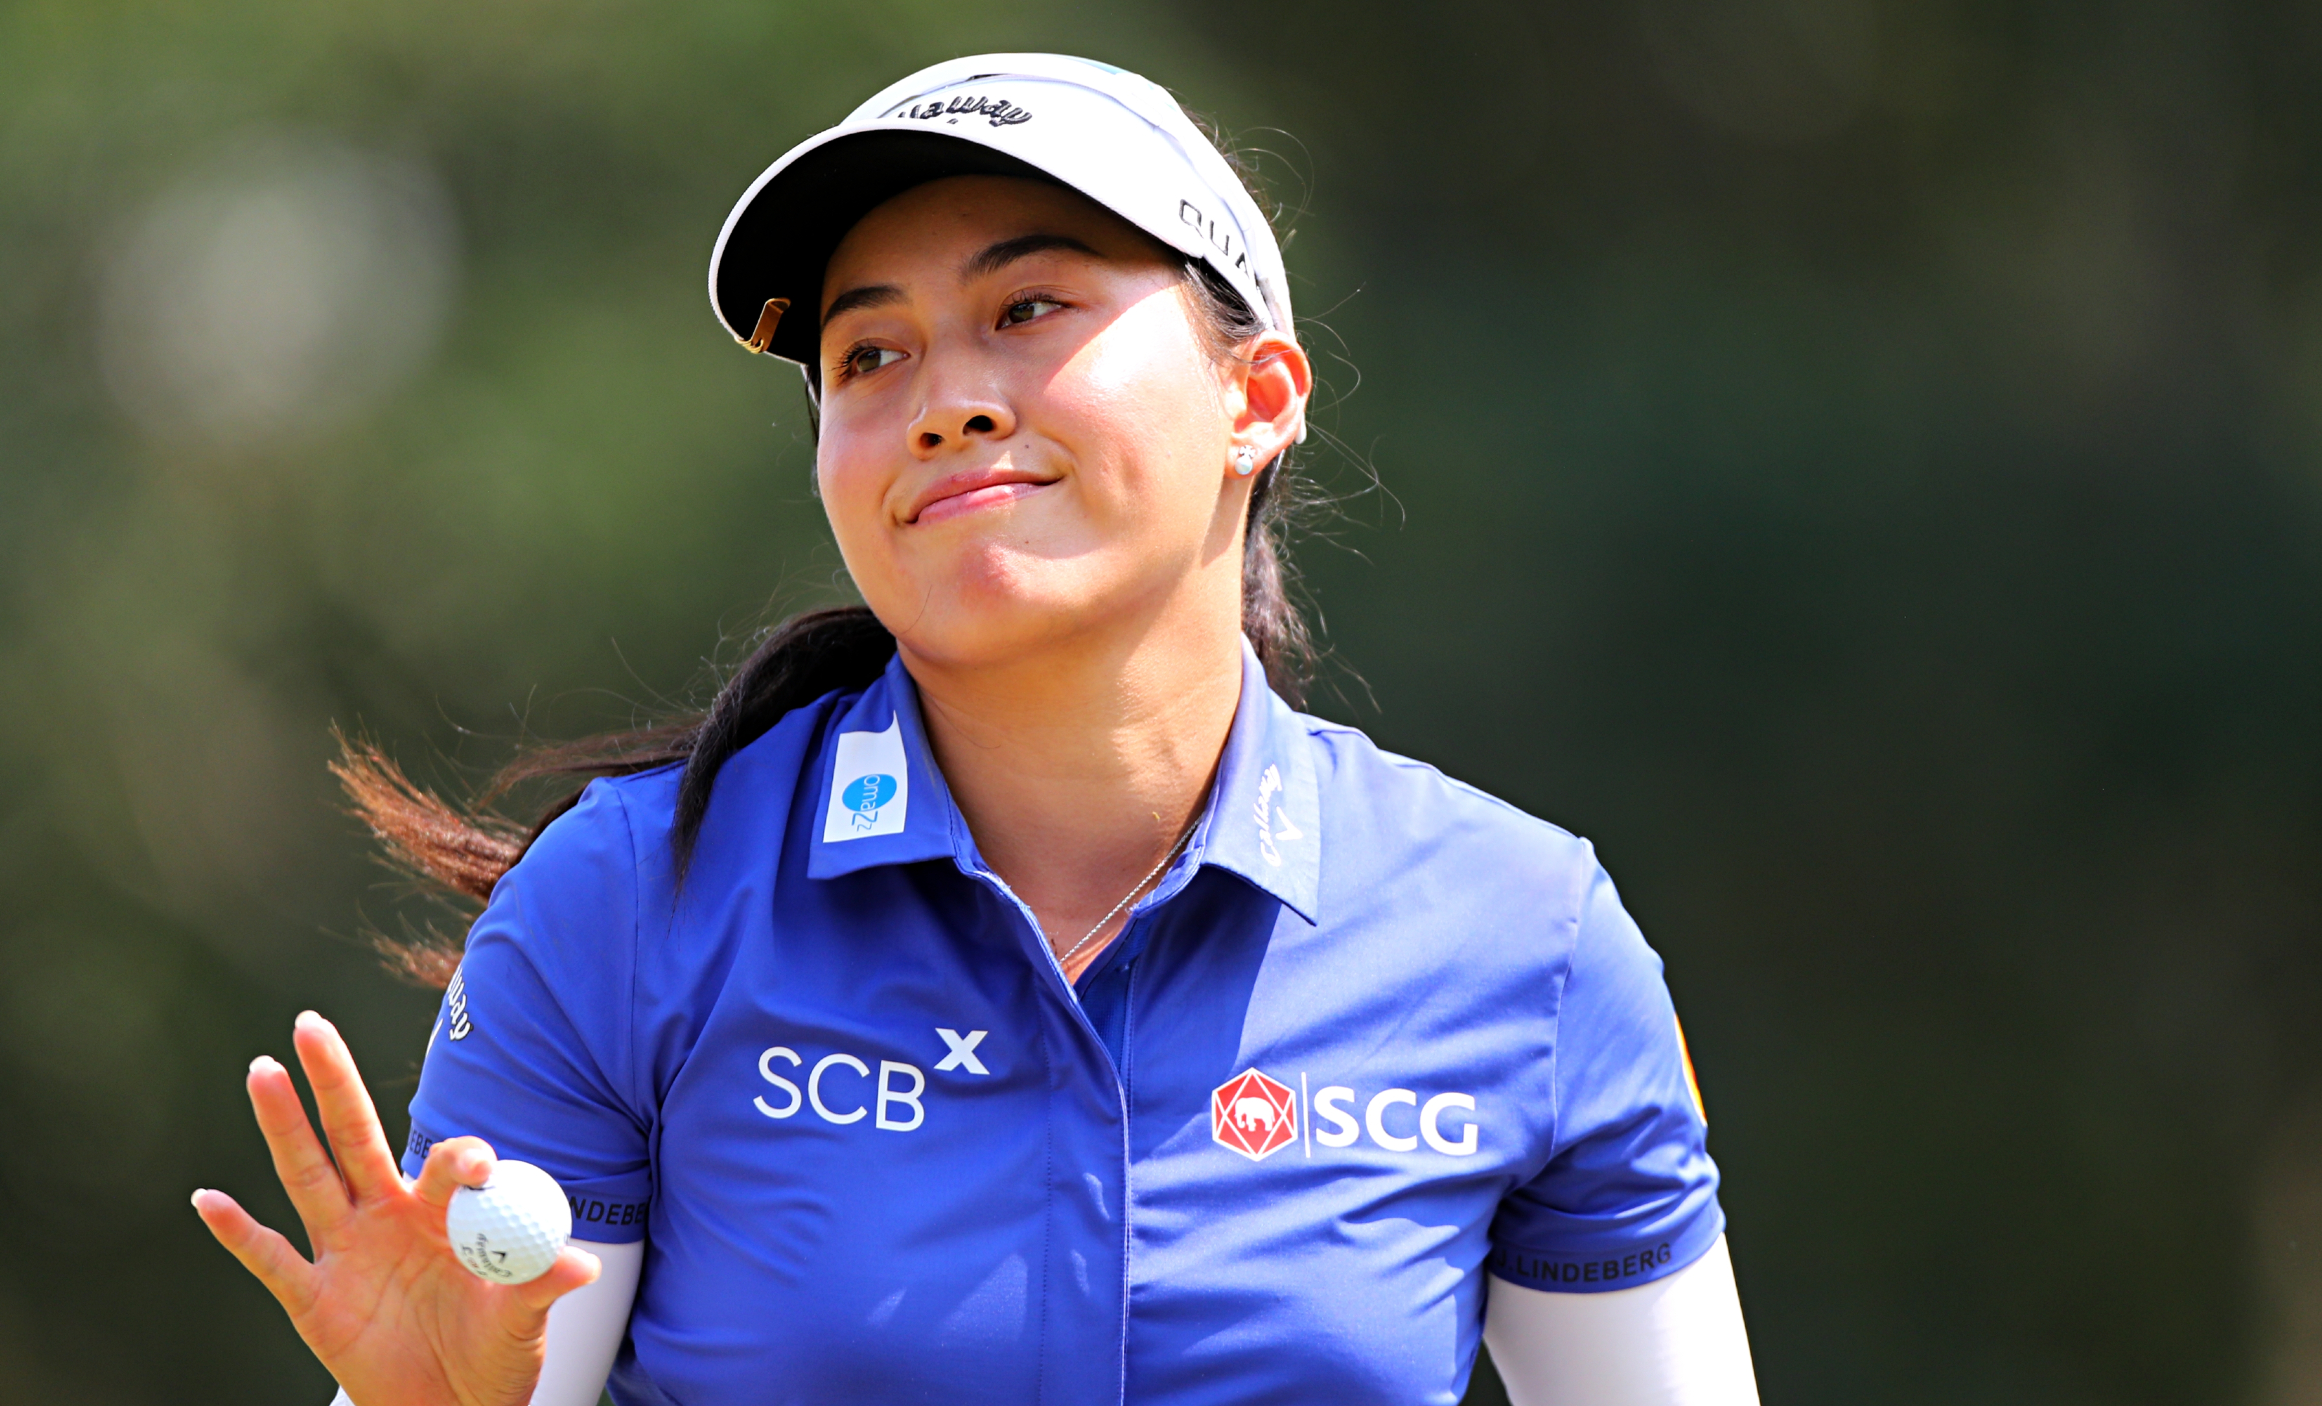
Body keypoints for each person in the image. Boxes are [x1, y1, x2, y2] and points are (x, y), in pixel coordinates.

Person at [191, 53, 1763, 1406]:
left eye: (1028, 307)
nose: (945, 396)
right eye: (869, 354)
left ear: (1259, 395)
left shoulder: (1528, 943)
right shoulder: (622, 904)